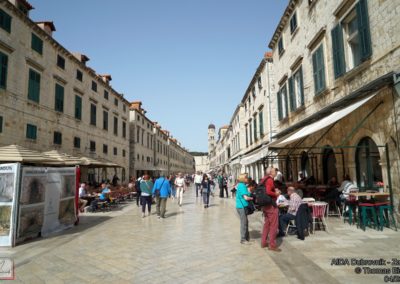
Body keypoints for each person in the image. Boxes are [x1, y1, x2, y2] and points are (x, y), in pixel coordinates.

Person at [260, 167, 281, 252]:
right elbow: (268, 191)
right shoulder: (269, 180)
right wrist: (276, 193)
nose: (276, 172)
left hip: (265, 205)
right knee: (274, 225)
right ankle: (272, 245)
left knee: (267, 224)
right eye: (274, 171)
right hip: (271, 205)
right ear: (271, 172)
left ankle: (263, 242)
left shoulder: (263, 179)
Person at [235, 174, 253, 244]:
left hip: (240, 206)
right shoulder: (242, 186)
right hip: (242, 206)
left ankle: (246, 237)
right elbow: (245, 197)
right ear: (243, 179)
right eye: (246, 178)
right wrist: (251, 198)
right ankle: (243, 239)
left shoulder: (240, 185)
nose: (247, 179)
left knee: (245, 222)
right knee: (244, 223)